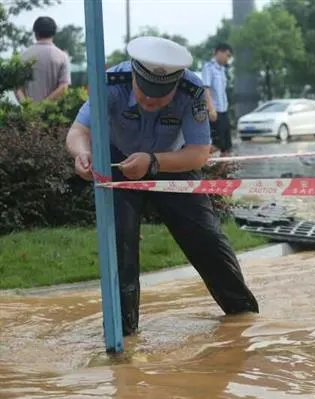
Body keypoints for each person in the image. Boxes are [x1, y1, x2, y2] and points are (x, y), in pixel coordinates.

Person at [65, 36, 259, 336]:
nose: (149, 103)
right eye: (144, 94)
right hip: (118, 161)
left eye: (159, 98)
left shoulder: (191, 89)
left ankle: (244, 318)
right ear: (134, 77)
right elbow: (79, 131)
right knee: (120, 246)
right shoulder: (111, 83)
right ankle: (123, 335)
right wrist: (83, 153)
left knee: (206, 238)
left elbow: (198, 154)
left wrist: (154, 162)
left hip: (171, 162)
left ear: (176, 83)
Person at [15, 16, 71, 103]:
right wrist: (43, 106)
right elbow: (63, 86)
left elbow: (18, 88)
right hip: (54, 114)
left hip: (28, 115)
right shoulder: (62, 56)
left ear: (35, 32)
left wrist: (29, 108)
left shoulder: (23, 56)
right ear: (54, 32)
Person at [201, 43, 234, 157]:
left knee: (227, 146)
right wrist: (211, 109)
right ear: (219, 52)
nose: (228, 59)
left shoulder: (222, 70)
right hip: (215, 111)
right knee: (217, 144)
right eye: (227, 55)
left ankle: (223, 173)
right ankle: (195, 160)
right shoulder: (209, 67)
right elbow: (206, 88)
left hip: (223, 110)